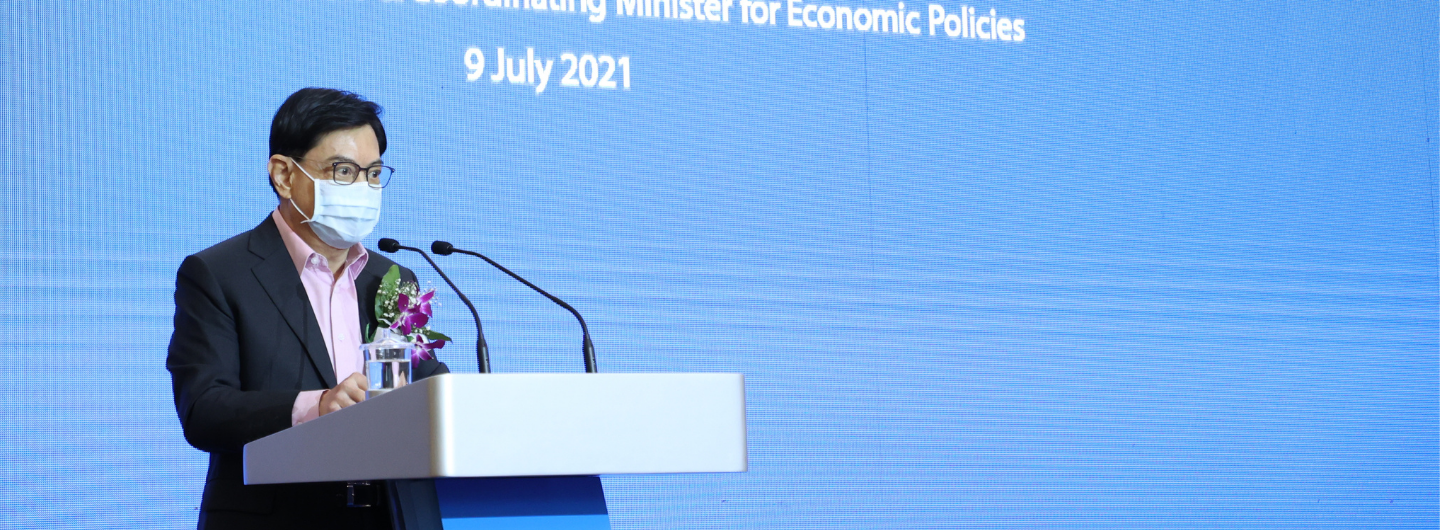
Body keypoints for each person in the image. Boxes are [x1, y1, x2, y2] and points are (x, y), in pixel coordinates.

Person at [167, 88, 448, 529]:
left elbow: (408, 389)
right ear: (283, 175)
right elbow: (205, 410)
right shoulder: (219, 274)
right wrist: (316, 406)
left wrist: (443, 398)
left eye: (373, 174)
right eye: (342, 171)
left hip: (389, 518)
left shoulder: (394, 281)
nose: (363, 187)